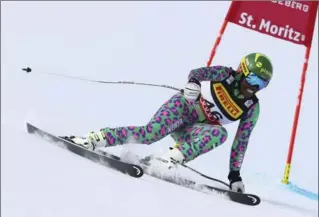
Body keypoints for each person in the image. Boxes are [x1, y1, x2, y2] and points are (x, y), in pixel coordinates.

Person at [62, 52, 273, 193]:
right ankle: (92, 139)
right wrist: (193, 84)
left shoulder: (252, 108)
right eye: (254, 80)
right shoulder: (224, 75)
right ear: (242, 71)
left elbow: (241, 142)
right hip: (181, 109)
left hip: (195, 130)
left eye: (262, 84)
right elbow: (197, 73)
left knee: (220, 134)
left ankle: (169, 160)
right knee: (149, 134)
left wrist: (234, 175)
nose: (255, 87)